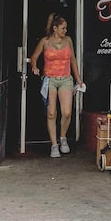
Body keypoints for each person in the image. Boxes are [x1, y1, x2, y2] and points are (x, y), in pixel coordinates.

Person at [30, 13, 83, 158]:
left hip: (65, 78)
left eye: (66, 28)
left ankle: (63, 137)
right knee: (51, 112)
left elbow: (73, 60)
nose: (65, 31)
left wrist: (78, 79)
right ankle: (54, 145)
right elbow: (34, 57)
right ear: (55, 28)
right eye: (63, 28)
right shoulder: (45, 41)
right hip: (50, 79)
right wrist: (34, 67)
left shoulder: (68, 41)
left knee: (67, 112)